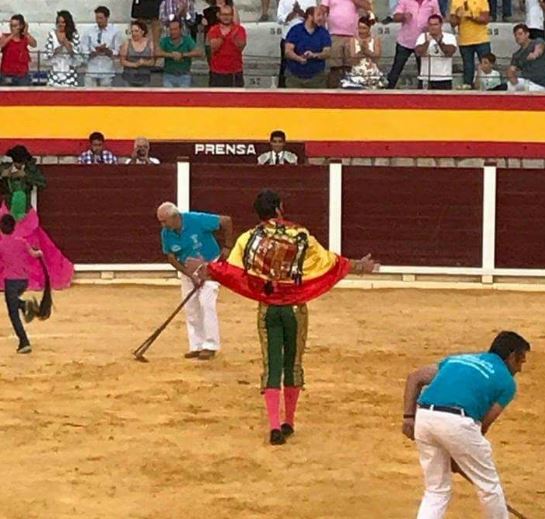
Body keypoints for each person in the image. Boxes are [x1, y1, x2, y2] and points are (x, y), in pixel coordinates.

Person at [192, 190, 379, 445]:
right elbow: (328, 263)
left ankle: (273, 426)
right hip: (294, 309)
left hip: (268, 309)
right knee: (293, 364)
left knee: (272, 366)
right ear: (280, 208)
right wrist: (358, 266)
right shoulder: (300, 235)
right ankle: (288, 421)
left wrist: (207, 269)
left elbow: (233, 271)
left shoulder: (249, 239)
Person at [402, 331, 531, 518]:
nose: (520, 369)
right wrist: (460, 454)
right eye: (520, 361)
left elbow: (415, 378)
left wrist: (408, 417)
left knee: (436, 489)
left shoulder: (459, 360)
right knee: (489, 487)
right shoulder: (506, 382)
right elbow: (483, 424)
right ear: (511, 356)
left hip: (425, 418)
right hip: (458, 423)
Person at [157, 202, 234, 360]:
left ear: (175, 217)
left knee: (206, 303)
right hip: (189, 270)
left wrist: (227, 247)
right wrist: (190, 275)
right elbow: (171, 257)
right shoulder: (166, 233)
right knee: (191, 307)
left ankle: (211, 345)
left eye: (164, 221)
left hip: (210, 265)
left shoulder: (196, 219)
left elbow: (226, 221)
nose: (162, 225)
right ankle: (197, 345)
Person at [0, 214, 43, 354]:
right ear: (14, 227)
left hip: (11, 282)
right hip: (23, 281)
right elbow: (35, 254)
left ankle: (24, 342)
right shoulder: (22, 241)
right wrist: (39, 252)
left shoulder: (1, 245)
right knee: (14, 304)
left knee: (13, 313)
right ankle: (24, 305)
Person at [387, 0, 441, 89]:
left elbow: (438, 17)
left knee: (423, 71)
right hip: (405, 41)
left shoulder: (433, 1)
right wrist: (403, 16)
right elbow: (395, 16)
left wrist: (431, 26)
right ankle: (388, 90)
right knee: (396, 68)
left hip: (423, 42)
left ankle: (421, 94)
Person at [319, 0, 372, 88]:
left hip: (352, 35)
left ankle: (351, 91)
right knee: (334, 66)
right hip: (334, 35)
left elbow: (368, 7)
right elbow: (322, 9)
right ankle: (333, 92)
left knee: (351, 67)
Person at [285, 6, 332, 88]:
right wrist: (299, 58)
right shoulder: (295, 30)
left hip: (316, 78)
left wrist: (314, 55)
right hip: (294, 77)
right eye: (318, 15)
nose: (321, 18)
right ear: (310, 16)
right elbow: (288, 51)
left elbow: (327, 53)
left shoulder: (323, 32)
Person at [450, 0, 490, 89]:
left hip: (482, 39)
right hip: (464, 40)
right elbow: (452, 23)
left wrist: (471, 16)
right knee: (467, 66)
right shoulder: (455, 1)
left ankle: (489, 86)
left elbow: (485, 19)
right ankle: (468, 86)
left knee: (486, 64)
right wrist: (457, 16)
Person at [341, 13, 387, 89]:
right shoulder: (353, 40)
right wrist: (363, 51)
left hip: (372, 73)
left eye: (364, 28)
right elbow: (353, 57)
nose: (361, 31)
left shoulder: (375, 40)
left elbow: (377, 57)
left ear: (369, 28)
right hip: (357, 73)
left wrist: (366, 50)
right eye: (359, 28)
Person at [277, 0, 316, 88]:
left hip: (305, 38)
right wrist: (292, 13)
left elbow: (314, 18)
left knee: (305, 63)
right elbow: (279, 19)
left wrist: (301, 12)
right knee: (285, 65)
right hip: (287, 38)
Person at [0, 146, 46, 221]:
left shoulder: (30, 169)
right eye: (17, 162)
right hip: (8, 208)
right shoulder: (4, 168)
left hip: (25, 209)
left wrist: (26, 175)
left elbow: (42, 183)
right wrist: (2, 175)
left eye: (21, 162)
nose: (19, 165)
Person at [207, 5, 247, 87]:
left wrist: (233, 33)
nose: (226, 17)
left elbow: (241, 46)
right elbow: (214, 47)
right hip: (217, 72)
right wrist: (224, 36)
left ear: (232, 16)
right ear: (219, 15)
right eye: (224, 15)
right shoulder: (214, 29)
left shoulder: (239, 29)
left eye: (228, 15)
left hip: (234, 72)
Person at [82, 6, 122, 87]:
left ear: (107, 18)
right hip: (91, 69)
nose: (98, 21)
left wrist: (107, 50)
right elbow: (84, 48)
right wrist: (93, 52)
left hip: (107, 69)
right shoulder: (89, 31)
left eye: (101, 18)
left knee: (105, 96)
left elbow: (117, 51)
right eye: (97, 18)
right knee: (89, 95)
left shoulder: (115, 31)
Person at [415, 15, 457, 89]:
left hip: (444, 78)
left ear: (441, 25)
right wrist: (427, 42)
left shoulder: (449, 37)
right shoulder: (422, 37)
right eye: (430, 24)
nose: (433, 27)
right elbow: (418, 52)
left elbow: (449, 52)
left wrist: (439, 41)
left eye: (435, 24)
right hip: (426, 78)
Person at [158, 19, 201, 87]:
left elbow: (198, 52)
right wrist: (171, 55)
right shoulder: (165, 40)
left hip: (184, 75)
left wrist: (182, 55)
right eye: (171, 29)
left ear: (181, 29)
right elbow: (157, 53)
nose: (172, 32)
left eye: (175, 29)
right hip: (168, 75)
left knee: (183, 96)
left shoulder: (188, 40)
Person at [45, 10, 82, 87]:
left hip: (69, 72)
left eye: (63, 22)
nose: (60, 24)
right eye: (58, 22)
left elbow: (77, 55)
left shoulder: (74, 34)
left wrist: (66, 43)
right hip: (55, 71)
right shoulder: (52, 34)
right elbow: (46, 55)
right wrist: (56, 50)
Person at [0, 14, 37, 87]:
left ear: (20, 26)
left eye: (15, 26)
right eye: (11, 26)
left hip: (22, 74)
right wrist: (12, 35)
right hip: (7, 73)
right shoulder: (5, 37)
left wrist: (26, 33)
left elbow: (34, 44)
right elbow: (1, 45)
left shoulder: (24, 38)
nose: (12, 28)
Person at [507, 23, 545, 92]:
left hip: (541, 84)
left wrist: (534, 54)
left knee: (527, 88)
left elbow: (539, 49)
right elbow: (511, 69)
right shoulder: (516, 55)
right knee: (510, 85)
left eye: (520, 34)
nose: (517, 37)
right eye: (515, 35)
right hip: (527, 82)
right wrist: (511, 75)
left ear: (527, 34)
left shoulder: (537, 41)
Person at [120, 20, 155, 87]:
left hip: (145, 78)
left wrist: (144, 63)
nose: (133, 34)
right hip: (128, 78)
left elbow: (153, 61)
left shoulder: (150, 43)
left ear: (143, 32)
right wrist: (135, 64)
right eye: (132, 31)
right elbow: (122, 61)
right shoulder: (127, 43)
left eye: (136, 31)